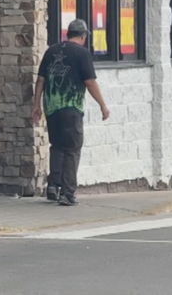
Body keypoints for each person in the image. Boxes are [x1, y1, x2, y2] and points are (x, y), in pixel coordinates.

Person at [31, 19, 110, 206]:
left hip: (51, 107)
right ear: (83, 36)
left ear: (68, 34)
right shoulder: (82, 53)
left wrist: (37, 105)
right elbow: (90, 82)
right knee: (73, 148)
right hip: (71, 107)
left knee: (57, 146)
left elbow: (41, 79)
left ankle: (53, 186)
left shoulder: (51, 51)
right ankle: (68, 193)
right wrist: (102, 105)